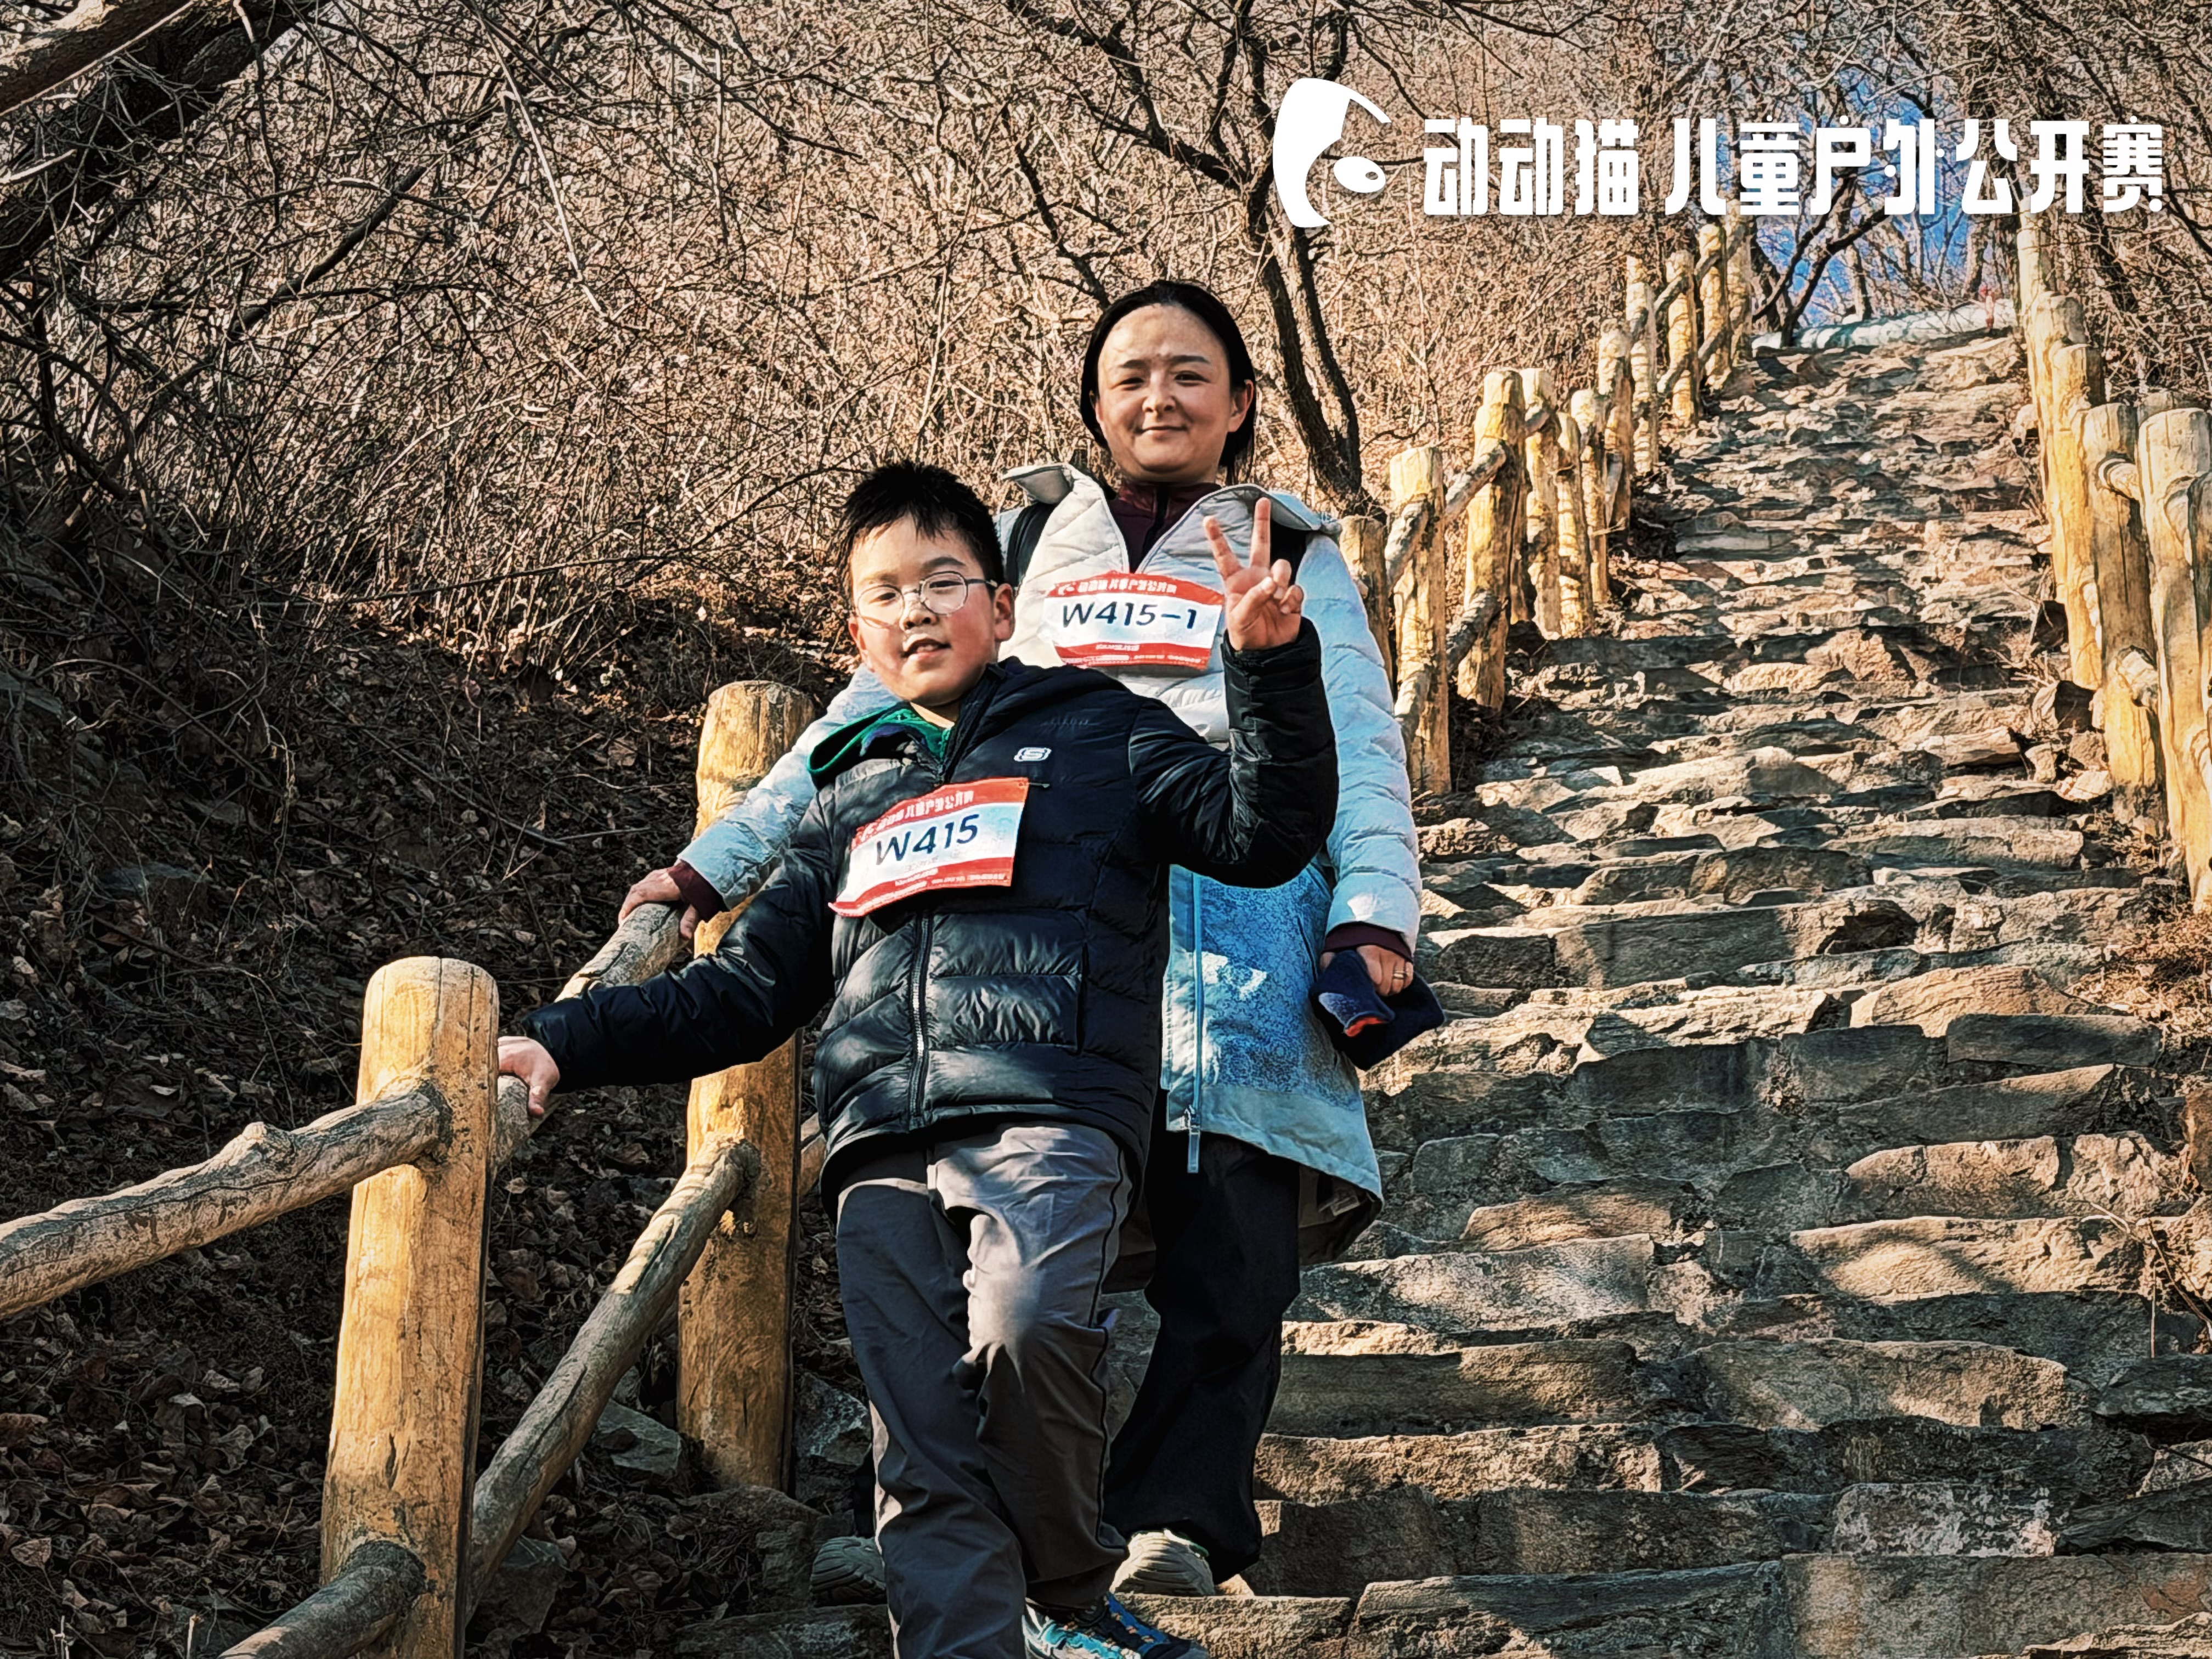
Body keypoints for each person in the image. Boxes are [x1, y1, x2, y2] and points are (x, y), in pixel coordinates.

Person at [625, 281, 1419, 1596]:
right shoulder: (1018, 540)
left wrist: (1375, 909)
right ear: (1092, 405)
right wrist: (720, 863)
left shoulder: (1292, 550)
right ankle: (985, 1530)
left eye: (1189, 374)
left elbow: (1357, 735)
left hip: (1237, 922)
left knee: (1233, 1244)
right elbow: (870, 711)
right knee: (1011, 1243)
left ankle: (1177, 1521)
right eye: (1128, 377)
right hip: (1032, 935)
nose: (1158, 398)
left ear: (1240, 402)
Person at [500, 461, 1336, 1659]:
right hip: (878, 1146)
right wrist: (560, 1039)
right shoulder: (849, 791)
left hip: (1052, 1110)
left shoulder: (1103, 727)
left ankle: (1065, 1582)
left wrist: (1266, 669)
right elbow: (744, 993)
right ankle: (1015, 1624)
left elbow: (1263, 833)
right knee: (926, 1453)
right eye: (885, 595)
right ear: (859, 632)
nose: (915, 612)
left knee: (1028, 1330)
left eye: (943, 582)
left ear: (1002, 606)